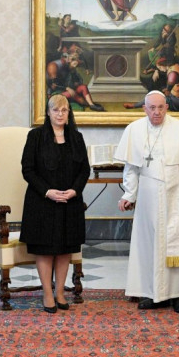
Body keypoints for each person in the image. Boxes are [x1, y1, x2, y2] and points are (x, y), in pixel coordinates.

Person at [114, 90, 179, 314]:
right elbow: (132, 168)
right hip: (149, 195)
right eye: (152, 108)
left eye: (161, 107)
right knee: (150, 244)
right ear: (144, 108)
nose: (156, 112)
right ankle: (152, 294)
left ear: (167, 107)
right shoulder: (134, 130)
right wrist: (129, 194)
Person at [20, 94, 90, 313]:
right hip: (42, 202)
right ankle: (47, 293)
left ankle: (60, 292)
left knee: (65, 249)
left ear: (69, 113)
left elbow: (84, 170)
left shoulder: (76, 137)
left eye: (64, 110)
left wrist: (74, 191)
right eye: (56, 110)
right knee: (45, 249)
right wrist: (47, 192)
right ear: (48, 112)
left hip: (70, 202)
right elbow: (27, 169)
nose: (60, 114)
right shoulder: (35, 136)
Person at [46, 47, 105, 111]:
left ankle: (91, 105)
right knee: (72, 93)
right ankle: (87, 104)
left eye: (77, 62)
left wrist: (76, 81)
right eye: (74, 61)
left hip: (69, 90)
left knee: (83, 87)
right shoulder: (58, 68)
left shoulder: (72, 70)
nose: (76, 64)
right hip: (57, 93)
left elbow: (78, 81)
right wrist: (67, 88)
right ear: (69, 60)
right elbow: (53, 85)